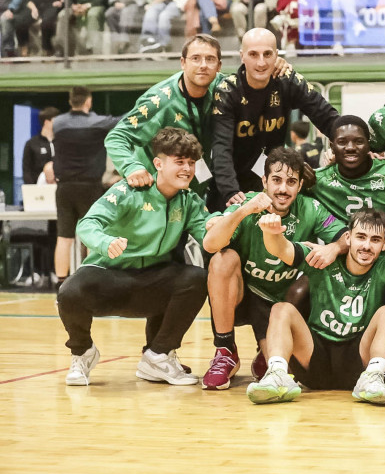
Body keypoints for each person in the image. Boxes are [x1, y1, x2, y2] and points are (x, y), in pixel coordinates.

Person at [58, 128, 213, 387]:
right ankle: (83, 352)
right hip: (109, 278)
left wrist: (228, 219)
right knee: (69, 292)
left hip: (151, 283)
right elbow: (87, 224)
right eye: (179, 161)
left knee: (195, 278)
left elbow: (208, 234)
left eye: (191, 162)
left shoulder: (190, 202)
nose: (187, 168)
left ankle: (158, 355)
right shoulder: (128, 191)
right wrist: (105, 243)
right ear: (158, 164)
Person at [246, 209, 385, 404]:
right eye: (361, 237)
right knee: (281, 309)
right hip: (315, 360)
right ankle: (277, 375)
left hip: (359, 363)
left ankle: (374, 375)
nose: (367, 246)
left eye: (375, 240)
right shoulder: (323, 259)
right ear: (348, 238)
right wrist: (271, 232)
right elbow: (281, 249)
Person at [200, 147, 348, 390]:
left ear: (300, 186)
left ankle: (265, 350)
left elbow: (346, 236)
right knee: (223, 259)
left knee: (275, 372)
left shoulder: (311, 208)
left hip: (275, 304)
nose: (283, 189)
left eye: (291, 182)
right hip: (240, 296)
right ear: (264, 181)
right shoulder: (246, 204)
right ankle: (225, 351)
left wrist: (333, 248)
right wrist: (245, 210)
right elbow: (210, 244)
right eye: (276, 180)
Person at [209, 28, 339, 211]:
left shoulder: (288, 79)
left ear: (277, 55)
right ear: (242, 56)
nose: (261, 62)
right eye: (253, 54)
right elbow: (221, 147)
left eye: (267, 54)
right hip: (228, 183)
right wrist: (230, 191)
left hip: (270, 180)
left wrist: (354, 143)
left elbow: (326, 114)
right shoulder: (227, 90)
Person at [106, 35, 225, 194]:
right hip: (156, 194)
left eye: (210, 59)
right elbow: (117, 137)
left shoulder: (223, 87)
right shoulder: (159, 101)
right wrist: (132, 168)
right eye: (196, 58)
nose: (203, 65)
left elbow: (245, 81)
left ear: (219, 66)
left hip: (195, 193)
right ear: (183, 63)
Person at [307, 116, 385, 248]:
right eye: (342, 142)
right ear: (332, 147)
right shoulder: (317, 181)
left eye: (359, 141)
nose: (350, 147)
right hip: (342, 263)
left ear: (369, 145)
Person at [52, 87, 121, 289]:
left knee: (64, 238)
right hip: (90, 187)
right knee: (92, 236)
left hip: (64, 187)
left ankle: (60, 284)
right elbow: (123, 120)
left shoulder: (58, 123)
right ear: (88, 102)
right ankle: (90, 283)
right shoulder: (97, 122)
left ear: (70, 100)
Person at [23, 107, 59, 185]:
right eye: (56, 121)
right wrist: (33, 190)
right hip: (39, 191)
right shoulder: (31, 144)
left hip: (60, 190)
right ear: (47, 122)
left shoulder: (62, 143)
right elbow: (27, 171)